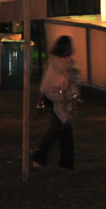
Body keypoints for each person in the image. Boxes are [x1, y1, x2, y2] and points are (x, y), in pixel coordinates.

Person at [31, 36, 79, 170]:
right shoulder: (54, 64)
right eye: (69, 45)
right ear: (63, 47)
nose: (71, 48)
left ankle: (65, 162)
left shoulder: (67, 63)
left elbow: (70, 82)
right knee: (58, 129)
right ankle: (40, 157)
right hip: (53, 98)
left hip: (62, 99)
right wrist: (41, 101)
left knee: (63, 130)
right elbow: (47, 84)